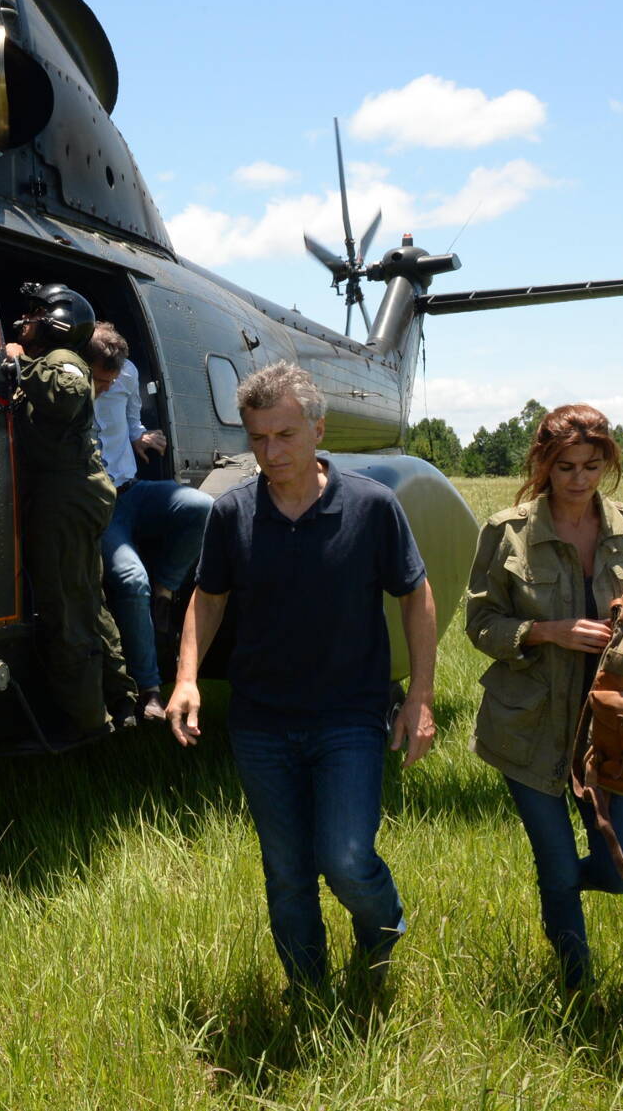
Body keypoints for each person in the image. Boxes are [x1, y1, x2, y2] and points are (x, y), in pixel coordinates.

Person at [166, 360, 437, 992]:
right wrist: (187, 678)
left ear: (318, 430)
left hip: (350, 716)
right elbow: (208, 599)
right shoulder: (232, 513)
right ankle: (309, 994)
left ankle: (383, 928)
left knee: (344, 858)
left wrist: (419, 696)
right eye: (258, 438)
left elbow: (415, 594)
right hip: (262, 722)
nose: (270, 451)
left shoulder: (372, 506)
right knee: (286, 869)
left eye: (284, 435)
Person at [464, 403, 623, 993]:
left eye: (593, 465)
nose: (579, 478)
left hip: (610, 728)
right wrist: (546, 631)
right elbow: (479, 622)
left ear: (608, 463)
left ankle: (559, 890)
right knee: (554, 863)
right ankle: (578, 988)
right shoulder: (507, 530)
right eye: (566, 465)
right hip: (527, 726)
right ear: (544, 463)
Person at [2, 282, 136, 740]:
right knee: (84, 599)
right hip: (70, 492)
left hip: (67, 493)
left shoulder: (64, 361)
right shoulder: (58, 361)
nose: (29, 319)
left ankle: (89, 723)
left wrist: (18, 361)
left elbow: (63, 395)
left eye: (39, 312)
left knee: (66, 607)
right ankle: (121, 700)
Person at [79, 323, 212, 724]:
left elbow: (132, 419)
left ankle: (166, 590)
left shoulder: (129, 372)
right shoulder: (67, 383)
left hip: (133, 489)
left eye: (114, 378)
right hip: (100, 504)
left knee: (202, 506)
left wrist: (139, 438)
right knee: (129, 579)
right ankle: (150, 690)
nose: (109, 385)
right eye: (102, 380)